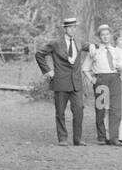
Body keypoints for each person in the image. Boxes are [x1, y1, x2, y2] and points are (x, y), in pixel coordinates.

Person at [34, 16, 91, 146]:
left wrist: (100, 47)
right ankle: (63, 139)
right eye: (70, 27)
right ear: (65, 29)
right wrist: (48, 71)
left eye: (74, 27)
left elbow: (93, 48)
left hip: (76, 84)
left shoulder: (79, 42)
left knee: (79, 111)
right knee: (60, 112)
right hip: (60, 82)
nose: (72, 29)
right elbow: (39, 54)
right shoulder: (55, 43)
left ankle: (78, 139)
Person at [89, 24, 122, 146]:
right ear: (100, 37)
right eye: (102, 35)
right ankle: (101, 137)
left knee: (116, 108)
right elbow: (85, 68)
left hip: (115, 78)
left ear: (111, 36)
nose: (105, 37)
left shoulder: (116, 51)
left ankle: (114, 137)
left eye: (107, 34)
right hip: (102, 78)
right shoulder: (95, 50)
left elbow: (121, 66)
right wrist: (92, 79)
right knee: (101, 108)